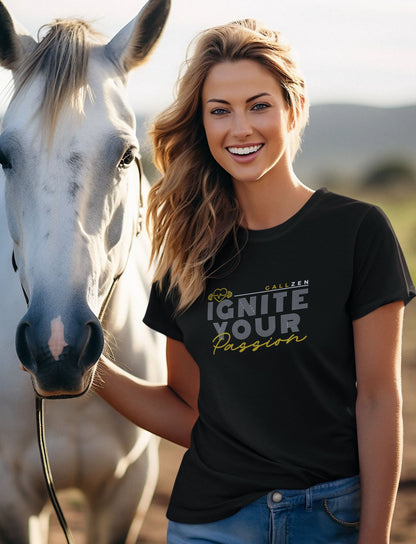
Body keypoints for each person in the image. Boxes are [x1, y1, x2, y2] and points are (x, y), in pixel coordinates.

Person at [95, 18, 415, 544]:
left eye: (258, 105)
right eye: (219, 111)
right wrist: (91, 370)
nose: (239, 128)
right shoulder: (185, 255)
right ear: (201, 125)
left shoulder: (358, 232)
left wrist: (375, 537)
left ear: (293, 108)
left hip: (331, 519)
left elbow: (379, 400)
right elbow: (190, 415)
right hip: (208, 526)